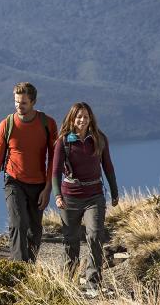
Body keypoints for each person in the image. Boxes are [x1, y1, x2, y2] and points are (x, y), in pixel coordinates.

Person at [0, 82, 58, 262]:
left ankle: (30, 266)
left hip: (39, 183)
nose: (19, 106)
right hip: (13, 181)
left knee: (35, 229)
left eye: (23, 103)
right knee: (18, 223)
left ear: (33, 102)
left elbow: (55, 160)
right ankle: (20, 268)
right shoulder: (7, 124)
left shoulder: (47, 124)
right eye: (16, 102)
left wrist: (48, 189)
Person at [50, 101, 118, 290]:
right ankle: (66, 282)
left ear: (90, 119)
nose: (82, 120)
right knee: (70, 241)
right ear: (72, 119)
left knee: (95, 235)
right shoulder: (63, 141)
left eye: (85, 117)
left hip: (94, 196)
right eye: (79, 116)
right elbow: (55, 171)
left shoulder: (99, 139)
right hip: (69, 197)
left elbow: (108, 167)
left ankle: (93, 282)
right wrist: (57, 196)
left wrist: (114, 191)